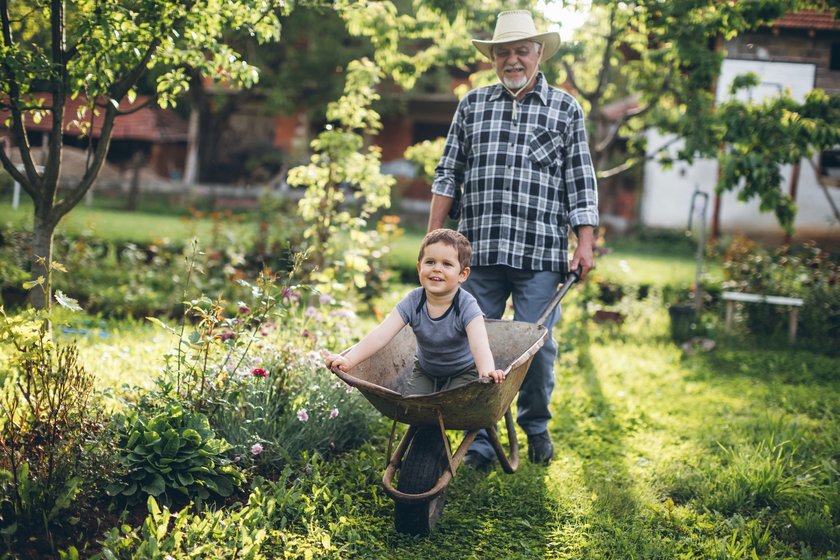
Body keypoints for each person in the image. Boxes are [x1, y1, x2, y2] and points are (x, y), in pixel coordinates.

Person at [427, 10, 599, 468]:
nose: (513, 59)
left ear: (539, 53)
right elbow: (448, 174)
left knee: (536, 351)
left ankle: (536, 425)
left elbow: (581, 184)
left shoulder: (564, 109)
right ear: (493, 59)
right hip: (477, 252)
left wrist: (584, 243)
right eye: (503, 52)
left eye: (522, 50)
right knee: (473, 348)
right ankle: (481, 442)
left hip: (540, 254)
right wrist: (434, 239)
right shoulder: (472, 105)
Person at [323, 228, 505, 395]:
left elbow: (479, 344)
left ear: (462, 275)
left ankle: (438, 424)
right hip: (426, 372)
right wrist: (348, 360)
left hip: (463, 372)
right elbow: (380, 335)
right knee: (415, 405)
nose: (437, 268)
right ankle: (427, 429)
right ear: (419, 268)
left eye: (447, 264)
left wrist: (486, 371)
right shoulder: (413, 301)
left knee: (451, 401)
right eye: (430, 262)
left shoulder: (466, 305)